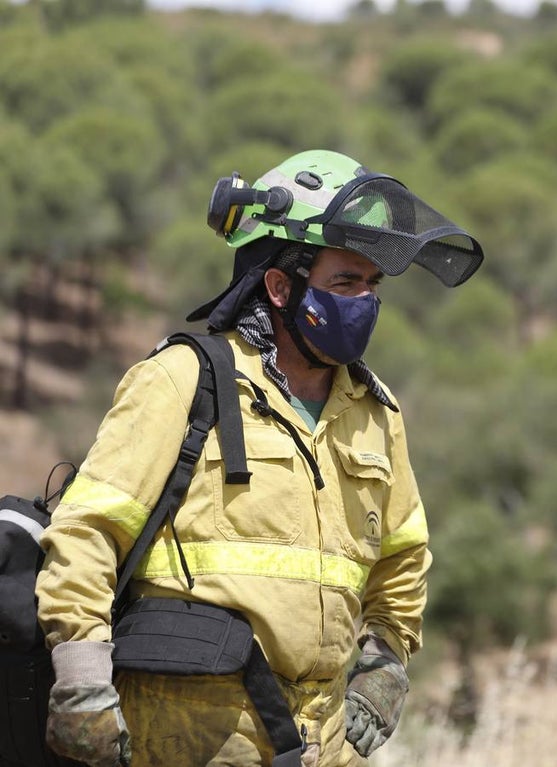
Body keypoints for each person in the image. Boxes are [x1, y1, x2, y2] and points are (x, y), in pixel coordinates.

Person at [35, 149, 484, 766]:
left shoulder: (376, 412)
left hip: (323, 743)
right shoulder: (181, 380)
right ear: (280, 285)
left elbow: (403, 558)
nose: (365, 302)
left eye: (372, 285)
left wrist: (386, 664)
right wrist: (82, 680)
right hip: (187, 737)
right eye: (344, 283)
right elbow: (87, 531)